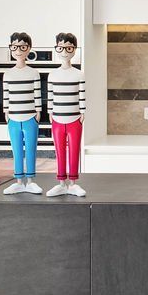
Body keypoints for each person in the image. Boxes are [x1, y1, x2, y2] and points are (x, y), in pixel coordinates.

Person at [46, 32, 86, 197]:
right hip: (57, 118)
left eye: (68, 47)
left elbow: (82, 94)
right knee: (59, 150)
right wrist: (50, 112)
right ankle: (61, 182)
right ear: (56, 49)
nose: (64, 51)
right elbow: (50, 95)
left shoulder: (79, 74)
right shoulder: (52, 75)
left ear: (74, 50)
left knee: (74, 150)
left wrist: (83, 112)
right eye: (61, 47)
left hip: (75, 118)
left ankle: (73, 183)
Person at [2, 32, 42, 194]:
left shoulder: (34, 73)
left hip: (30, 117)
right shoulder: (8, 74)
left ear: (29, 49)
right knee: (16, 150)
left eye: (22, 47)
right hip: (13, 117)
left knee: (31, 149)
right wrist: (6, 112)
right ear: (11, 48)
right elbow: (6, 94)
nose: (18, 50)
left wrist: (38, 112)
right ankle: (19, 181)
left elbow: (37, 93)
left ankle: (31, 181)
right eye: (15, 47)